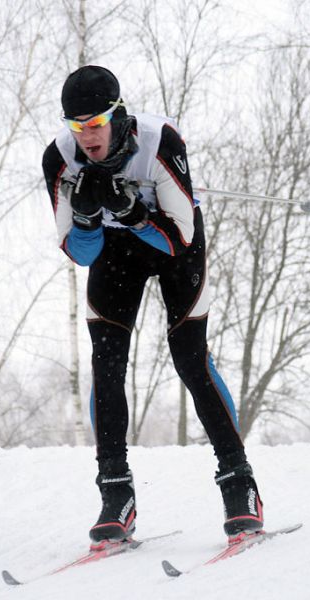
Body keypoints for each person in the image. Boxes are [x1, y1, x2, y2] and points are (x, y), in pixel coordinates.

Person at [41, 66, 263, 546]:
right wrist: (85, 219)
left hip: (171, 246)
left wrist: (132, 212)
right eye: (76, 126)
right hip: (115, 252)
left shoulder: (158, 140)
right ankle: (115, 495)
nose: (87, 137)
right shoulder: (59, 159)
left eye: (96, 123)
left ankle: (239, 486)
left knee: (189, 359)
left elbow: (180, 237)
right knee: (106, 364)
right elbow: (79, 254)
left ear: (118, 114)